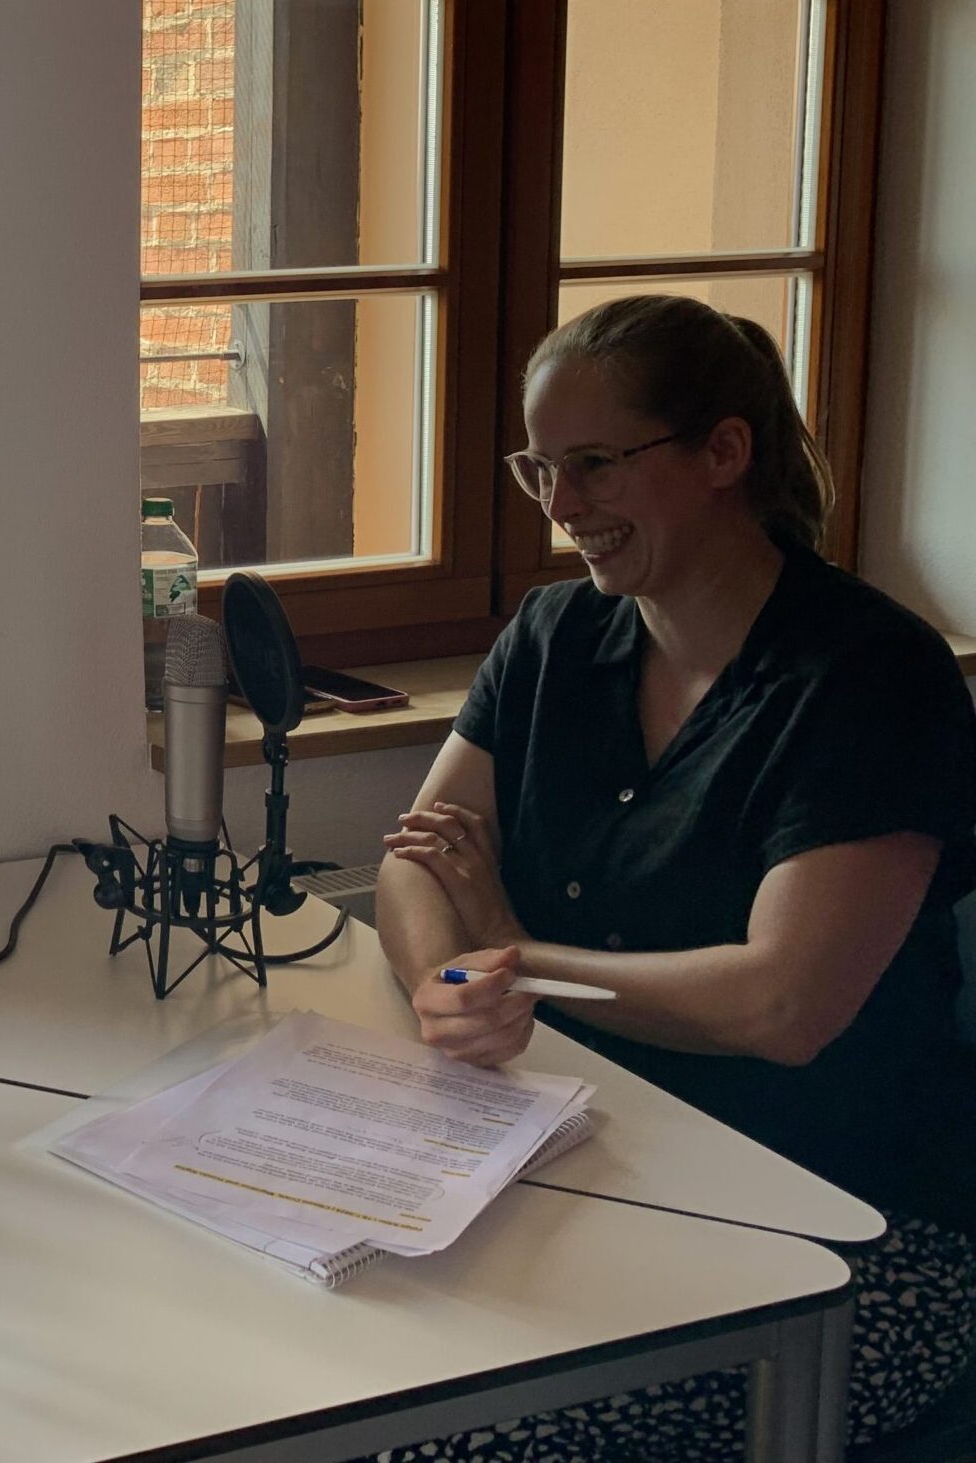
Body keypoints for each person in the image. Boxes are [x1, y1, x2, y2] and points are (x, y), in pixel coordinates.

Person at [374, 294, 976, 1459]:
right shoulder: (553, 635)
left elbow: (783, 1006)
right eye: (539, 469)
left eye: (593, 464)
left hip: (845, 1236)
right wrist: (442, 976)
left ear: (724, 453)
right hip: (591, 1171)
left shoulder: (869, 678)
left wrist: (514, 952)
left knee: (434, 1440)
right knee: (328, 1361)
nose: (561, 508)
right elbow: (418, 858)